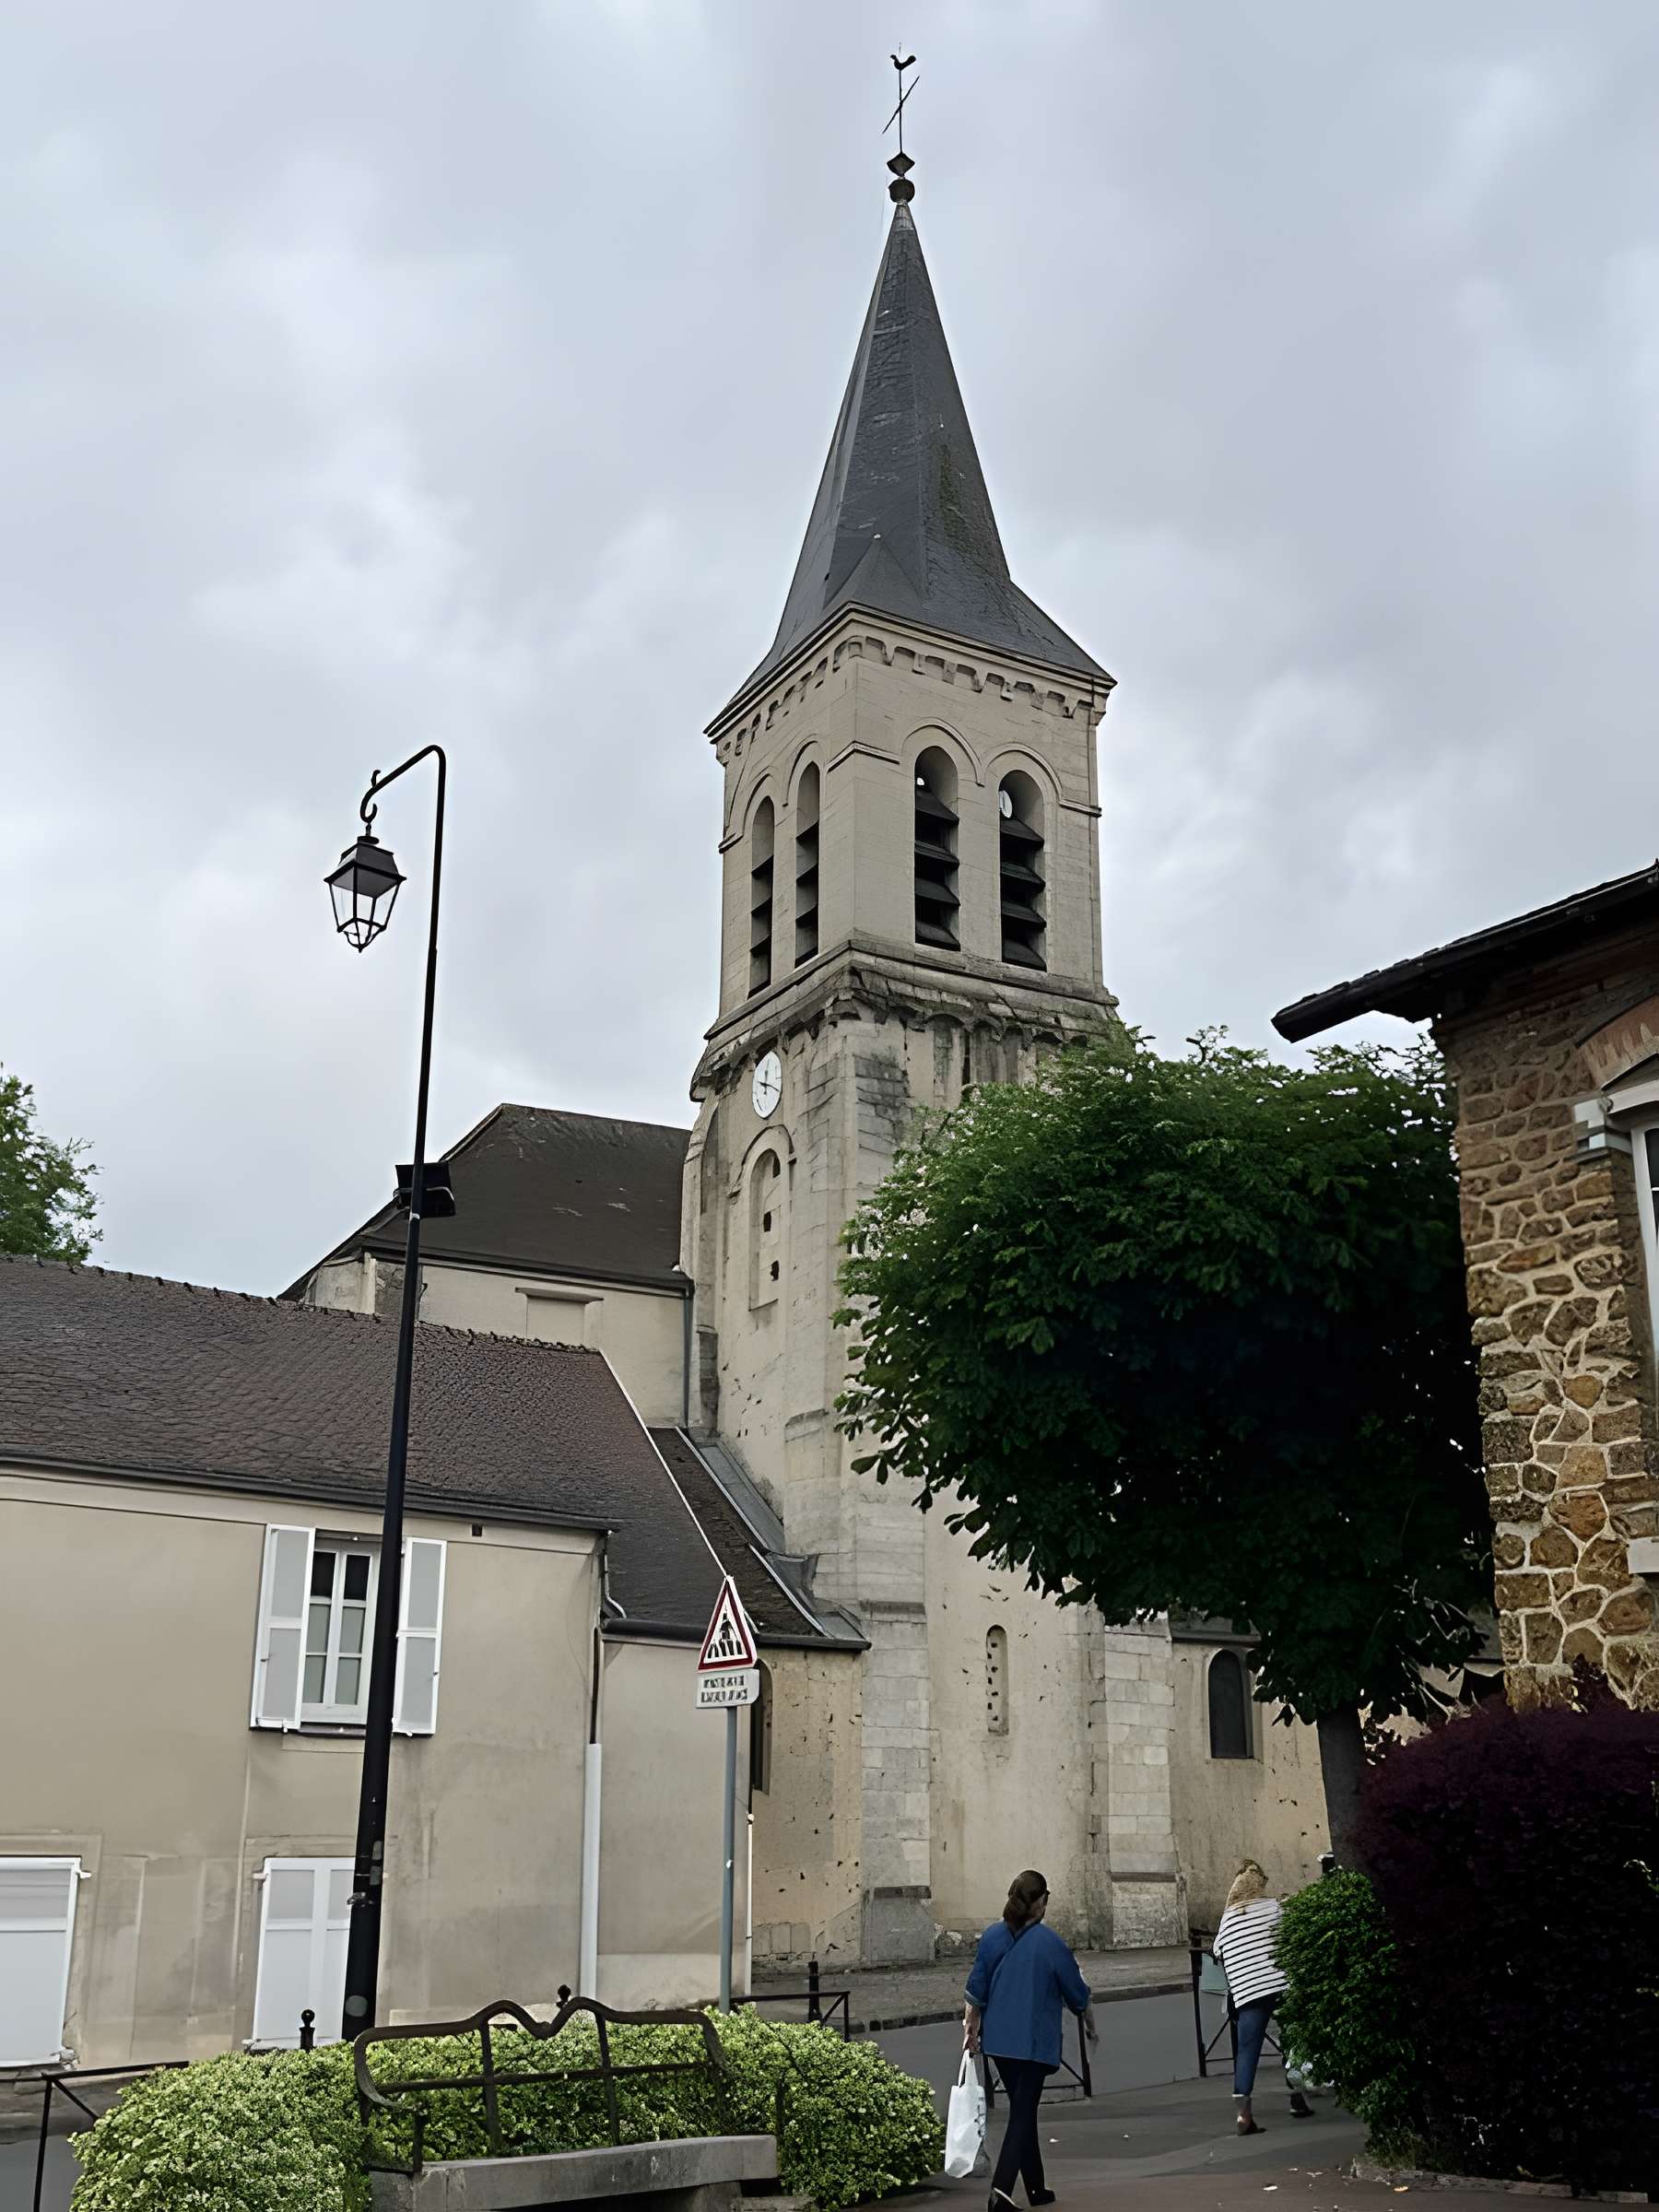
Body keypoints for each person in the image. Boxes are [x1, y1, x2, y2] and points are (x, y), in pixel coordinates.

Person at [963, 1870, 1096, 2212]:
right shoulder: (1050, 1943)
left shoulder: (992, 1937)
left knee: (1024, 2110)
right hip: (1033, 2043)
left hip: (999, 2042)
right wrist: (1089, 2018)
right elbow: (1078, 1996)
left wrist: (971, 2028)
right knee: (1022, 2112)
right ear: (1039, 1903)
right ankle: (1001, 2193)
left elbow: (976, 1989)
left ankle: (1036, 2187)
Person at [1209, 1859, 1314, 2135]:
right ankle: (1296, 2097)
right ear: (1259, 1887)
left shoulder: (1227, 1919)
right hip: (1279, 1986)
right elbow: (1291, 1933)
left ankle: (1243, 2116)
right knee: (1292, 2041)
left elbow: (1217, 1953)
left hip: (1247, 1993)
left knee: (1247, 2050)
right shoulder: (1273, 1907)